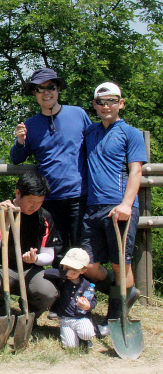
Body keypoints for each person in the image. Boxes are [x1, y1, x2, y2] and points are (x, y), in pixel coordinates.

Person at [81, 82, 147, 337]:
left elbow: (136, 170)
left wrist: (127, 205)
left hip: (118, 207)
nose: (105, 106)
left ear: (121, 103)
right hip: (91, 207)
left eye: (111, 101)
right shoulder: (90, 132)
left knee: (121, 265)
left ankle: (115, 317)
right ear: (95, 106)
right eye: (100, 102)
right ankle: (125, 294)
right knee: (88, 265)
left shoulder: (131, 133)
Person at [10, 68, 91, 265]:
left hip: (78, 195)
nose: (46, 92)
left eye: (51, 87)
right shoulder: (30, 124)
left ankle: (82, 295)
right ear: (34, 93)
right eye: (40, 89)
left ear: (58, 90)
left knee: (82, 249)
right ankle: (58, 294)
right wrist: (20, 140)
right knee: (56, 250)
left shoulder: (78, 114)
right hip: (48, 198)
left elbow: (94, 146)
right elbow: (16, 158)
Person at [0, 172, 61, 327]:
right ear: (18, 193)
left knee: (48, 291)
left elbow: (49, 255)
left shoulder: (44, 217)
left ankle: (29, 316)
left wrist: (36, 259)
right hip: (1, 267)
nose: (34, 206)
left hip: (30, 269)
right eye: (31, 201)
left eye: (39, 202)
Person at [43, 248, 97, 349]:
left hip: (81, 317)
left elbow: (93, 301)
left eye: (74, 270)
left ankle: (85, 339)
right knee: (70, 346)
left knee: (87, 332)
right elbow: (47, 273)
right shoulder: (62, 280)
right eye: (67, 268)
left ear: (83, 271)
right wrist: (63, 274)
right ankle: (74, 337)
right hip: (65, 319)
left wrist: (88, 306)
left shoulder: (87, 285)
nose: (70, 272)